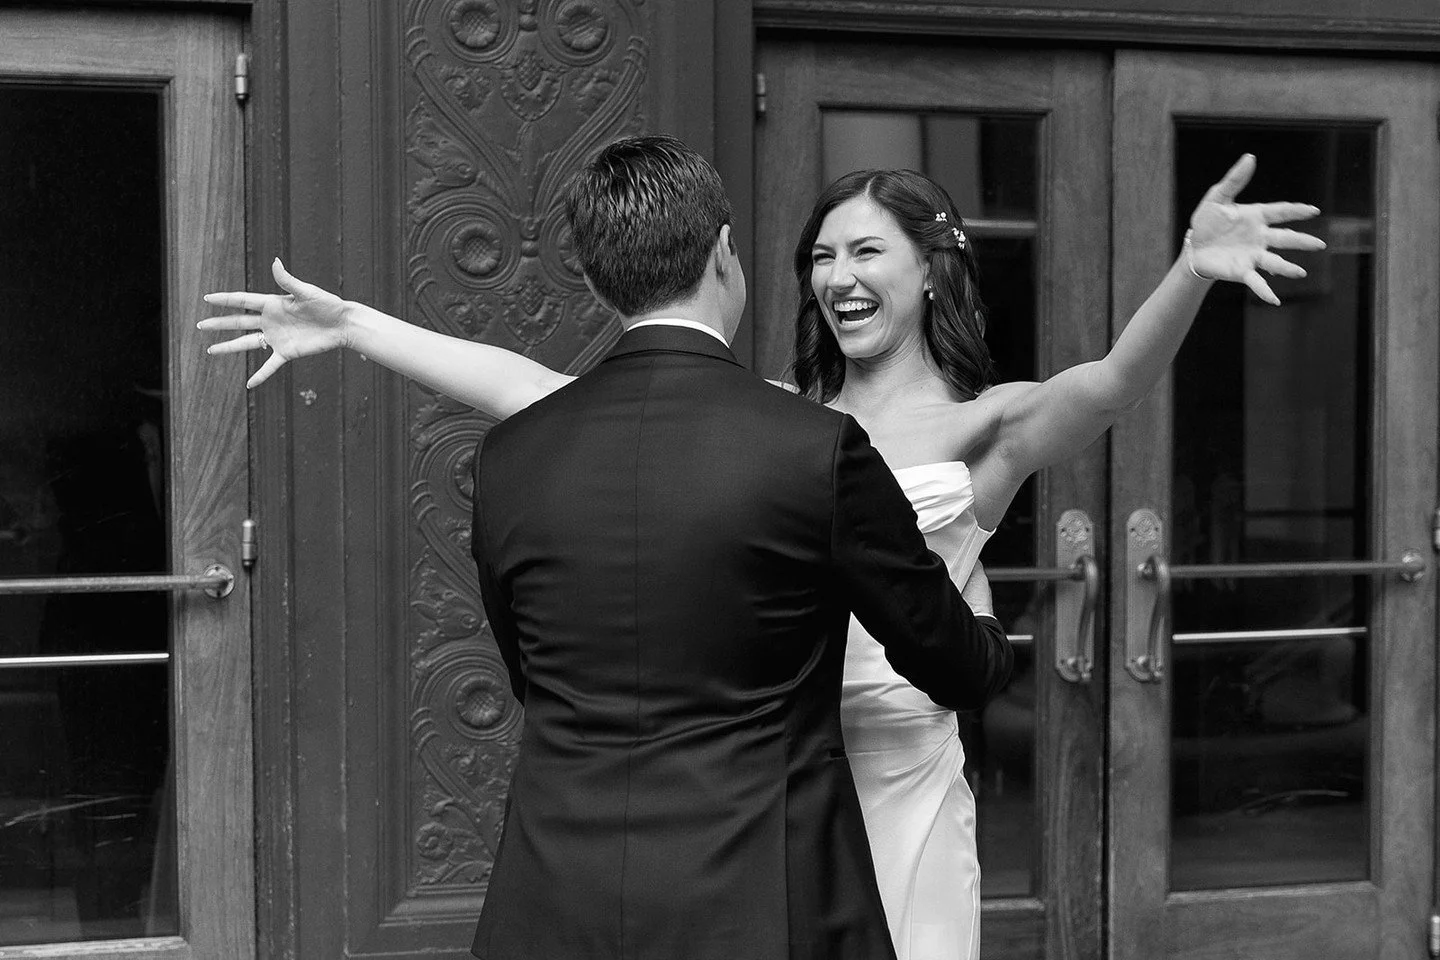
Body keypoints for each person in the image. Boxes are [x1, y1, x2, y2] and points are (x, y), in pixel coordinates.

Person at [201, 143, 1323, 960]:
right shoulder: (783, 421)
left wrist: (1190, 271)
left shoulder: (991, 424)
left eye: (868, 250)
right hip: (764, 787)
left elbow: (1114, 383)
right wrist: (358, 328)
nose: (838, 275)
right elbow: (538, 391)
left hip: (900, 766)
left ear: (932, 270)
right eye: (821, 254)